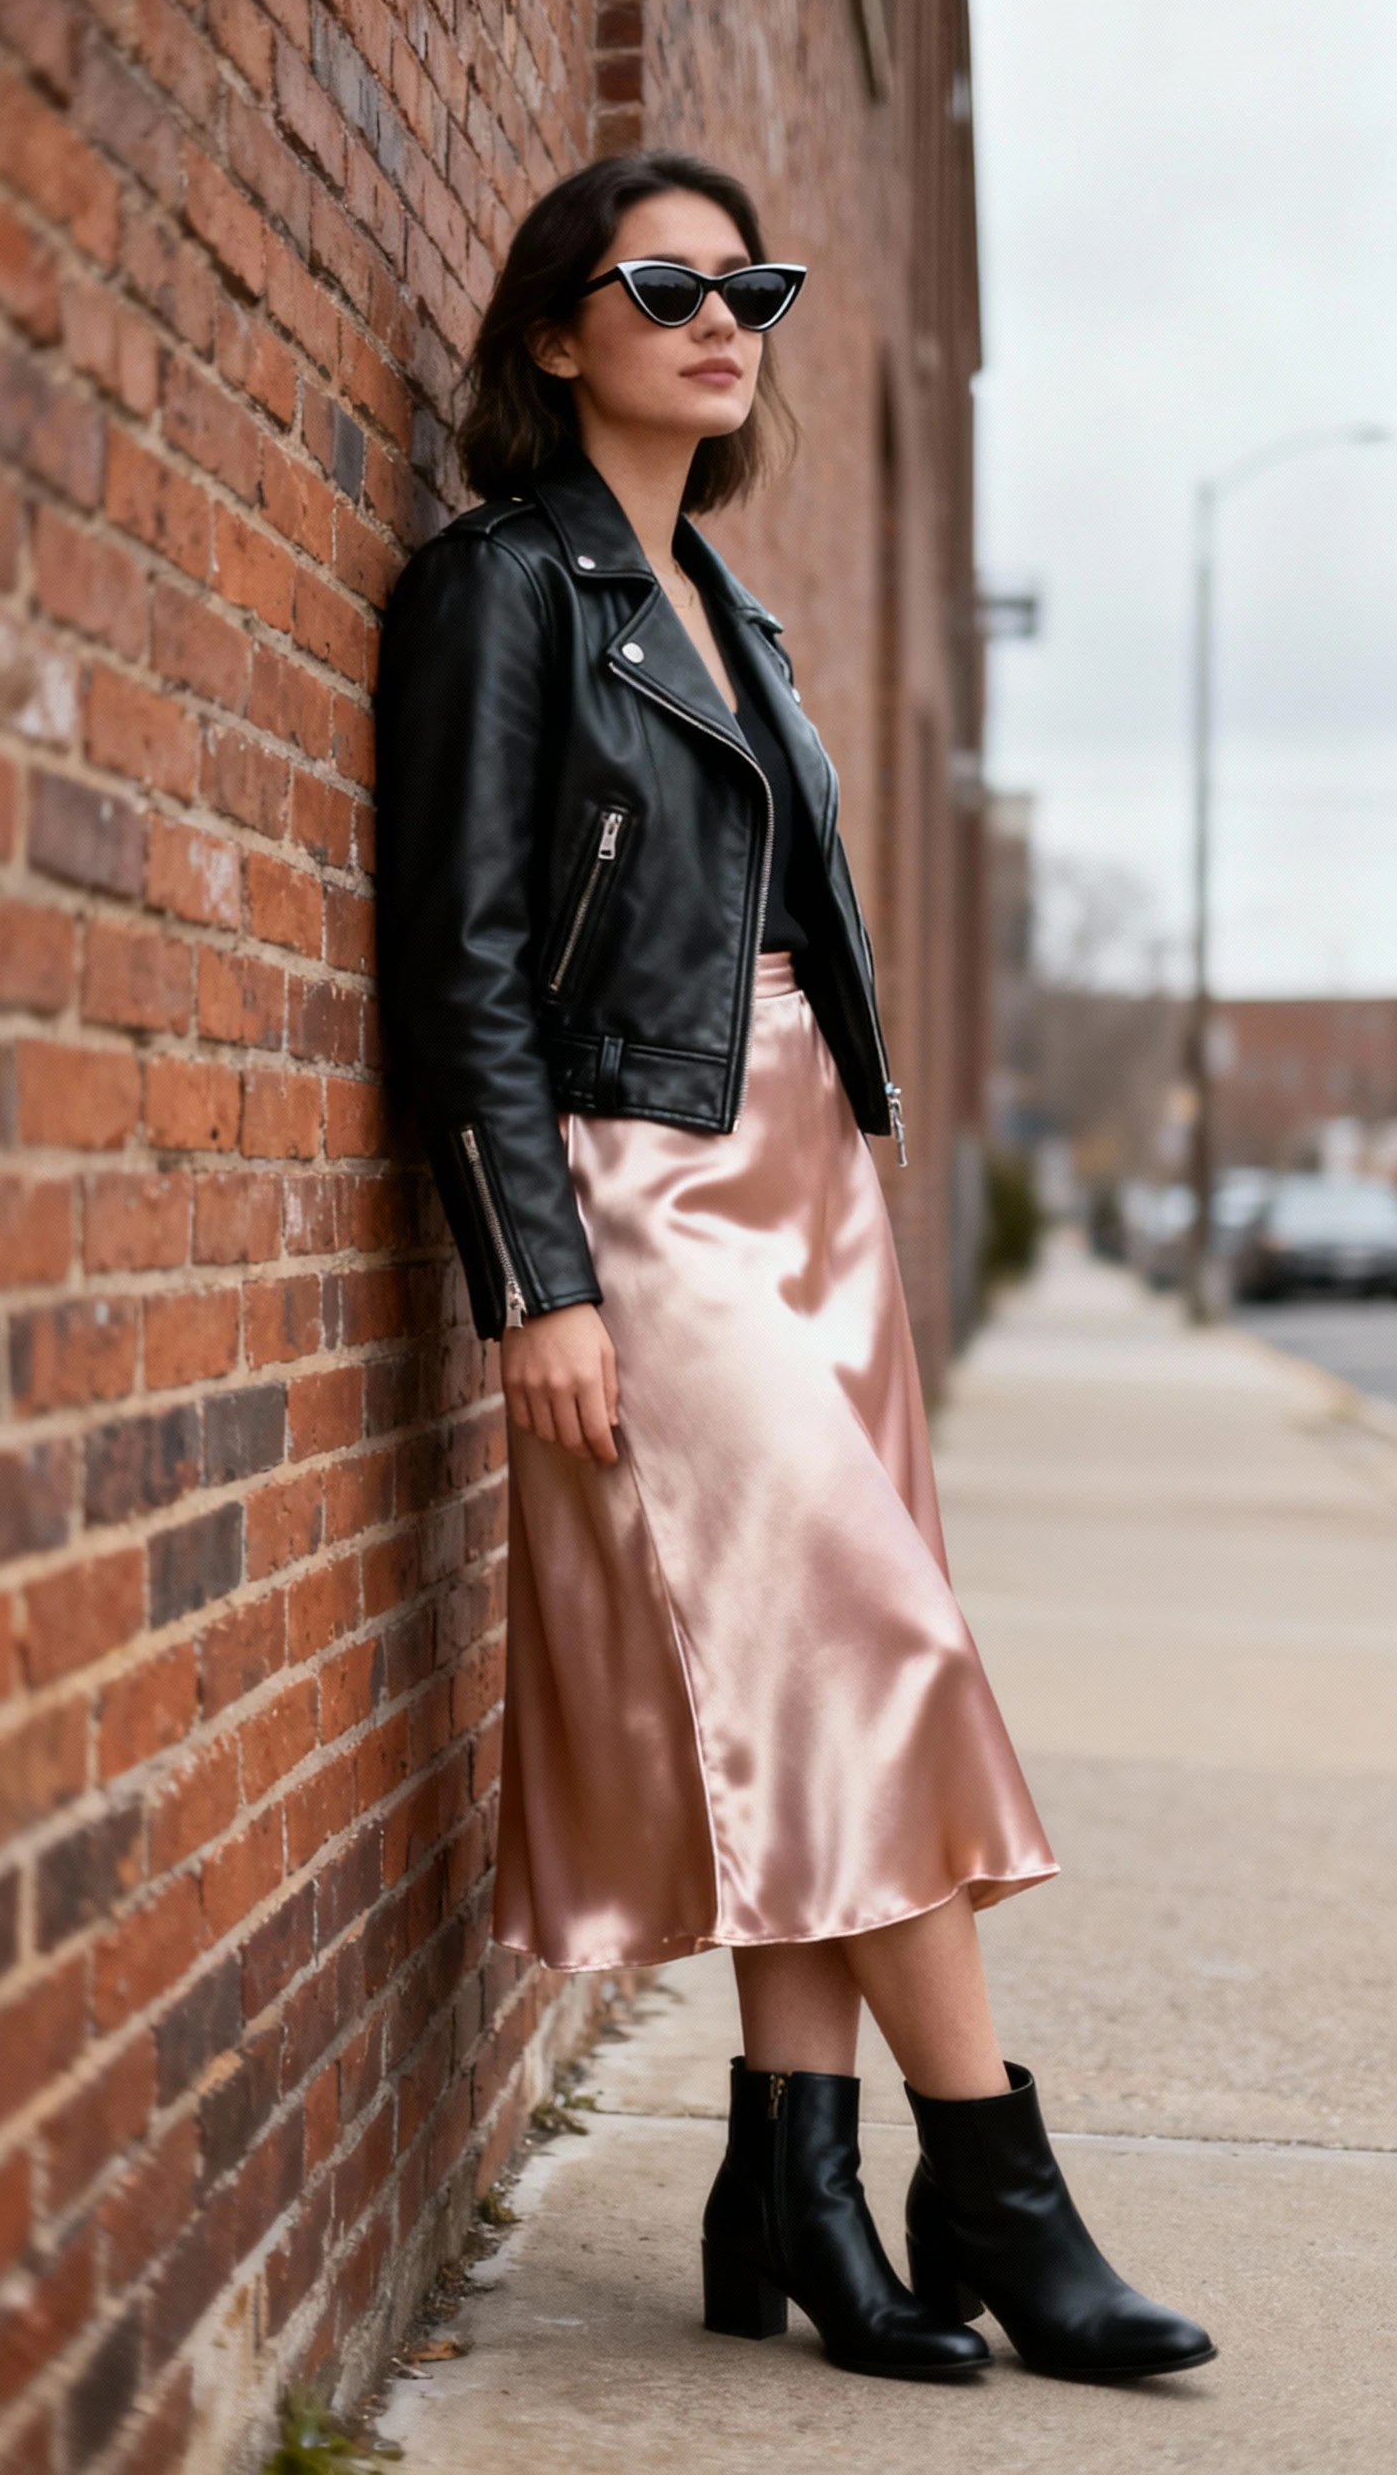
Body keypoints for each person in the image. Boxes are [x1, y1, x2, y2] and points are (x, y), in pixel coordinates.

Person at [375, 149, 1214, 2387]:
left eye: (746, 278)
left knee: (808, 1684)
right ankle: (992, 2178)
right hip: (637, 1175)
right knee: (867, 1649)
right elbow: (456, 959)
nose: (720, 311)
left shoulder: (719, 600)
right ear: (558, 330)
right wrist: (529, 1274)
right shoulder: (504, 588)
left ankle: (794, 2170)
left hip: (809, 1181)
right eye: (665, 280)